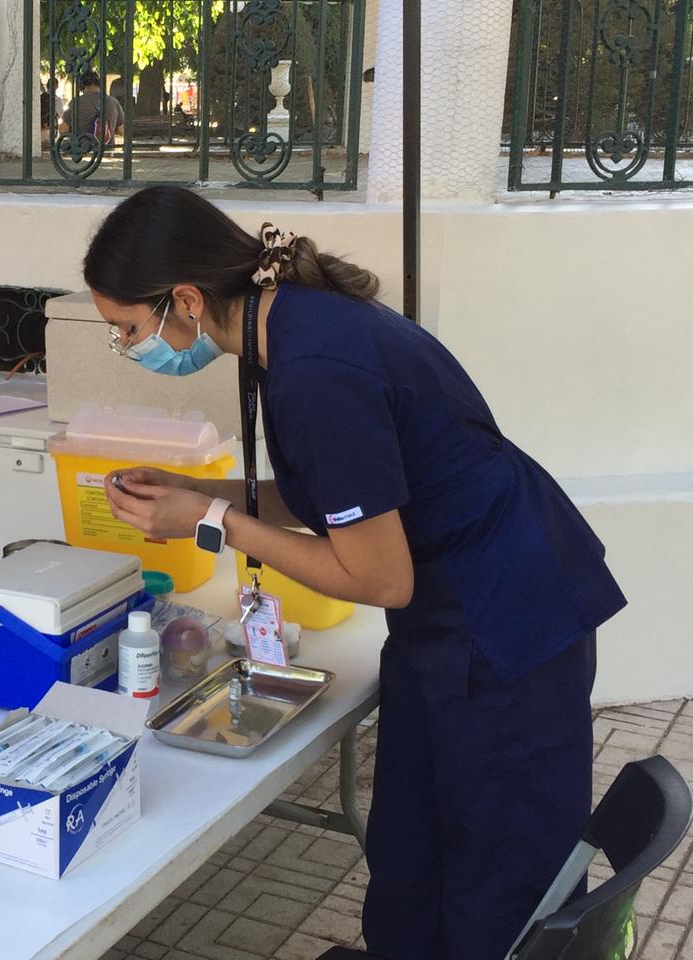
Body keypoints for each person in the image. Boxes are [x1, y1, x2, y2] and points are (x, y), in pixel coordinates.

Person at [84, 186, 626, 960]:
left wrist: (209, 523)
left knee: (499, 893)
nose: (129, 348)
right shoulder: (289, 327)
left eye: (128, 330)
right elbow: (339, 498)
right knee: (409, 865)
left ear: (187, 300)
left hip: (504, 627)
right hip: (450, 619)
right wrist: (201, 492)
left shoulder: (314, 368)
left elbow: (379, 579)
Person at [59, 70, 124, 146]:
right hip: (107, 151)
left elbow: (63, 129)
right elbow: (121, 130)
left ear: (82, 86)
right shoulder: (113, 102)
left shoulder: (77, 102)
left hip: (83, 150)